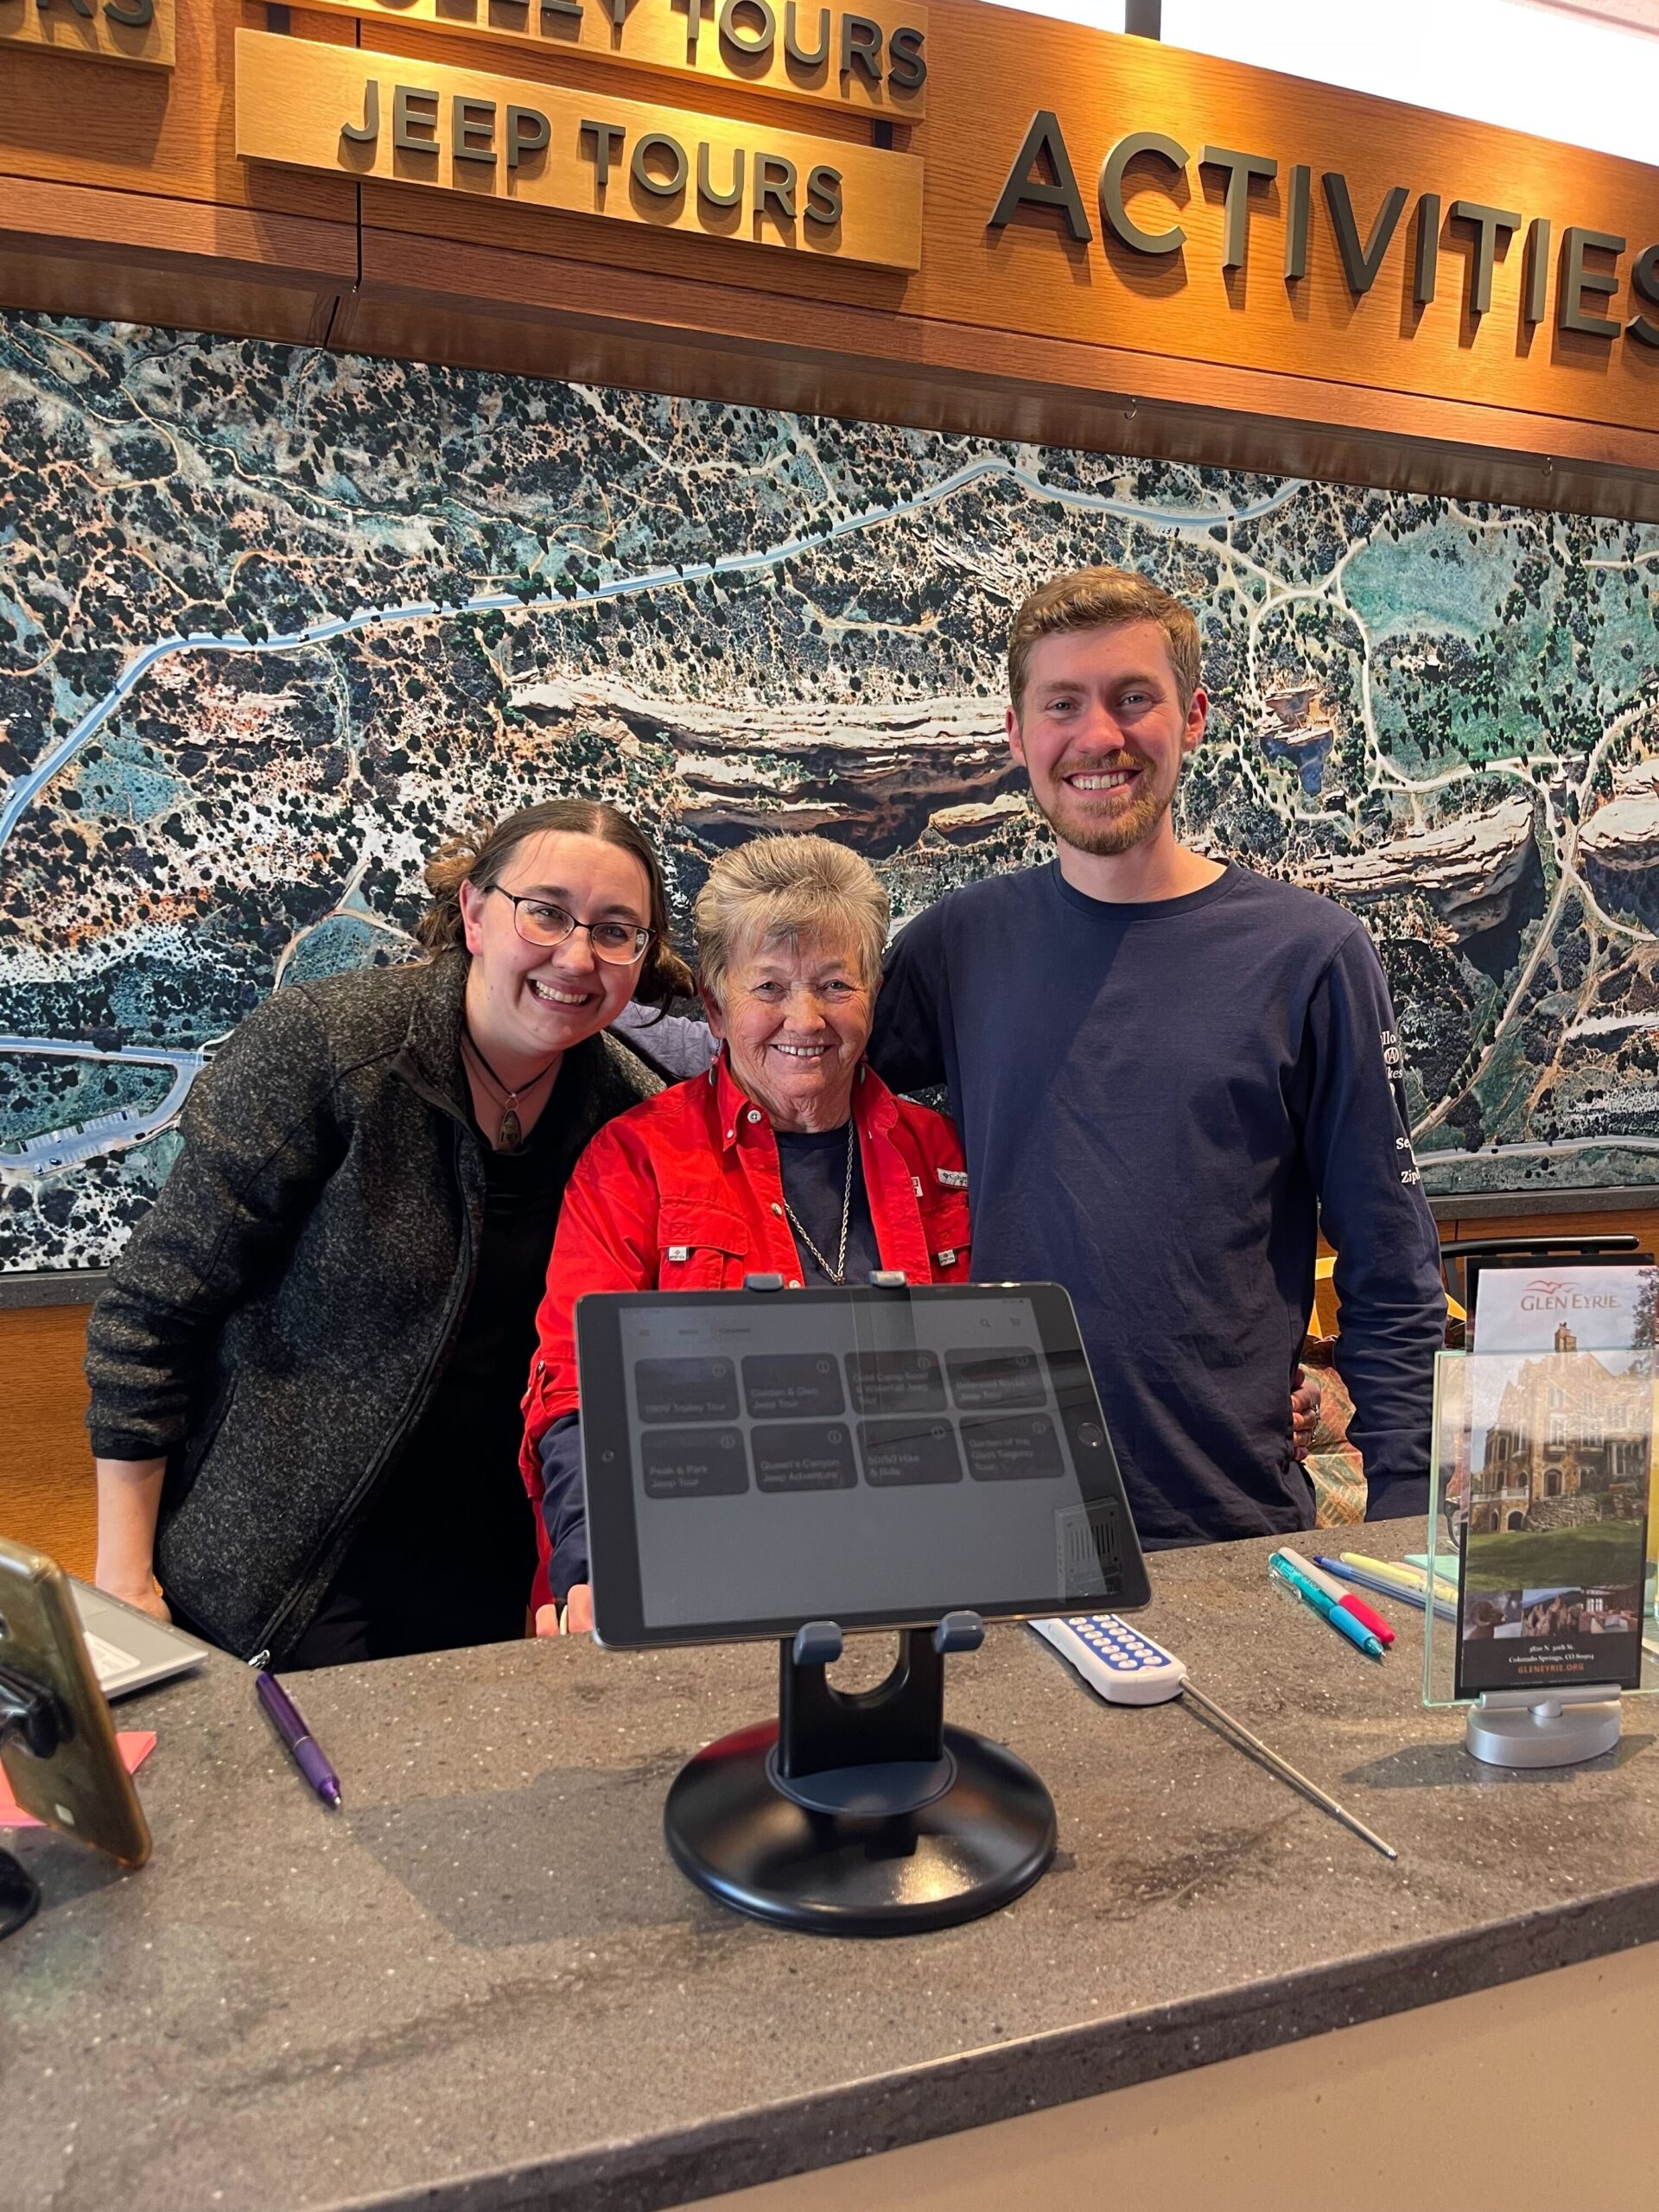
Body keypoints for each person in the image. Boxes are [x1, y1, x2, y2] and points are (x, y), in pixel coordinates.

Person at [869, 565, 1447, 1548]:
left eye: (1135, 698)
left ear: (1194, 717)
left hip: (1231, 1532)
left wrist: (1404, 1514)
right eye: (1063, 705)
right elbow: (796, 1100)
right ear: (1018, 735)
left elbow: (1390, 1267)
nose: (1100, 736)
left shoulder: (1310, 956)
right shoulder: (955, 947)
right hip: (991, 1534)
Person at [86, 798, 692, 1666]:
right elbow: (148, 1318)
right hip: (278, 1574)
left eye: (615, 930)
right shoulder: (324, 1052)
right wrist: (124, 1578)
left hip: (491, 1575)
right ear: (476, 913)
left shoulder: (629, 1117)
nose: (575, 955)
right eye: (546, 911)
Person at [519, 834, 973, 1635]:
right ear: (718, 1003)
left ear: (872, 995)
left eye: (836, 984)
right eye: (770, 986)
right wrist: (596, 1563)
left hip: (915, 1578)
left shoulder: (940, 1155)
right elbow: (576, 1388)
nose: (807, 1018)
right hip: (693, 1576)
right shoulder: (637, 1160)